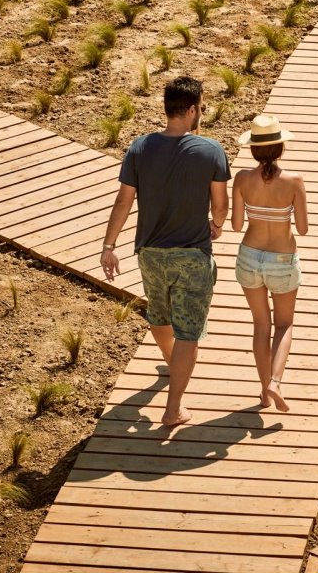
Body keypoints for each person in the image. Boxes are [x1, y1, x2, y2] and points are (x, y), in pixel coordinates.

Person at [100, 76, 230, 428]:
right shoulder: (210, 150)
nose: (201, 112)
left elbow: (124, 201)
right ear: (190, 110)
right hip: (191, 255)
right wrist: (216, 224)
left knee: (158, 315)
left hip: (150, 253)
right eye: (201, 107)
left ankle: (174, 362)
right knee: (188, 330)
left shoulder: (139, 148)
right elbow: (220, 205)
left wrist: (109, 246)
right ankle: (173, 409)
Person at [232, 114, 307, 412]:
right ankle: (275, 381)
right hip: (282, 259)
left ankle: (264, 393)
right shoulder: (293, 181)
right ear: (281, 148)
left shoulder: (241, 179)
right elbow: (302, 228)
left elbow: (237, 225)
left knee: (260, 325)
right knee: (284, 324)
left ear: (253, 149)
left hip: (249, 257)